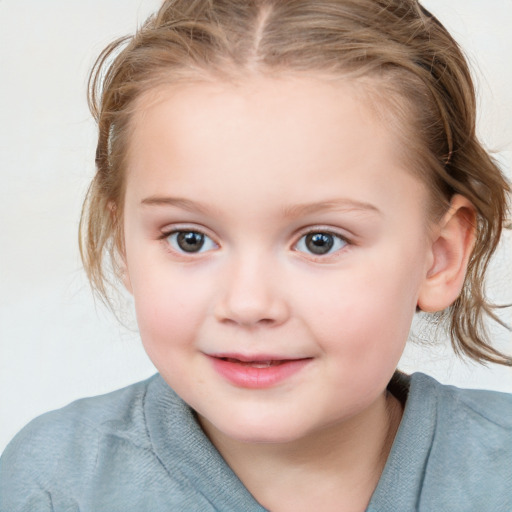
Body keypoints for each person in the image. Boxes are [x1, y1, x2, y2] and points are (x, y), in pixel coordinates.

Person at [1, 0, 511, 510]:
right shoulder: (57, 486)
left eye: (320, 241)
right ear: (123, 246)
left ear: (439, 257)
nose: (247, 304)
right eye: (190, 239)